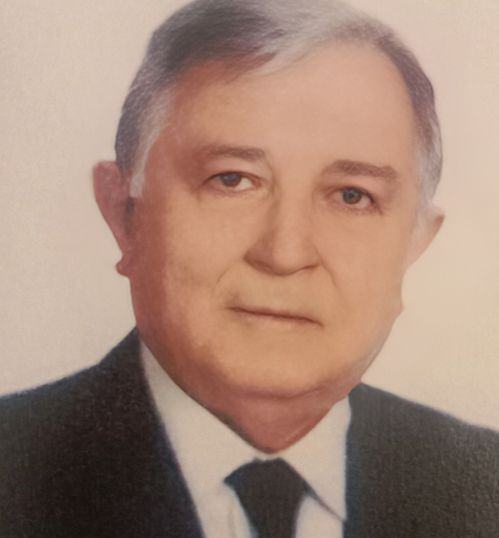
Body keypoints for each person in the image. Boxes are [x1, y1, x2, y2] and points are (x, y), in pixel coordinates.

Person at [1, 0, 498, 536]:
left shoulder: (483, 487)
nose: (285, 254)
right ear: (125, 215)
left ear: (414, 243)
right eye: (232, 180)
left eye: (352, 195)